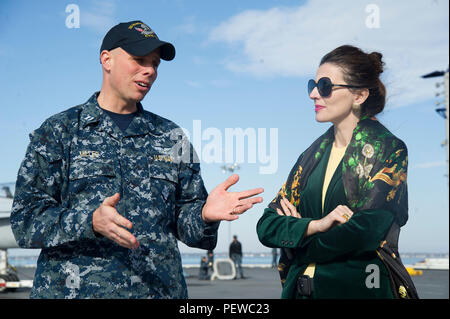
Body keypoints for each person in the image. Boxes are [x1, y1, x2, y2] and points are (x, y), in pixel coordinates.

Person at [10, 20, 263, 299]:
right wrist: (90, 221)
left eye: (155, 63)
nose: (150, 71)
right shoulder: (59, 131)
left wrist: (203, 215)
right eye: (139, 59)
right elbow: (26, 222)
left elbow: (186, 227)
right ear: (107, 59)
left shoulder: (171, 136)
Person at [257, 45, 409, 299]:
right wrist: (316, 225)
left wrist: (297, 236)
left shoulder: (389, 149)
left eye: (325, 86)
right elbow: (266, 225)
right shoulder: (310, 157)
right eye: (312, 85)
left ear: (359, 95)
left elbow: (364, 233)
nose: (314, 95)